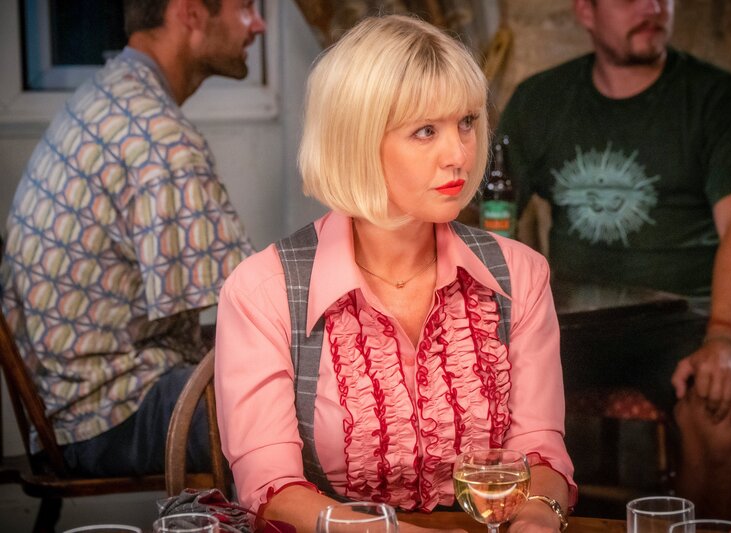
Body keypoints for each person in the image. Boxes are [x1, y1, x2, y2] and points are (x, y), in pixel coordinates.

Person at [215, 14, 576, 533]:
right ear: (356, 142)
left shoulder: (520, 274)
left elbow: (541, 451)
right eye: (425, 131)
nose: (459, 154)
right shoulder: (262, 291)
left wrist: (538, 517)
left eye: (466, 123)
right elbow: (271, 492)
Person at [498, 0, 731, 521]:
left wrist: (725, 340)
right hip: (572, 324)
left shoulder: (720, 98)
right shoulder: (541, 98)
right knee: (476, 386)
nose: (652, 7)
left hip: (685, 321)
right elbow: (490, 212)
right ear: (586, 11)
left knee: (719, 407)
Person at [0, 0, 263, 476]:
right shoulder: (159, 137)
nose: (258, 24)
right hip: (106, 411)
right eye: (245, 7)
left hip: (68, 398)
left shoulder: (104, 94)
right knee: (323, 408)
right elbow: (253, 305)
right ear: (190, 13)